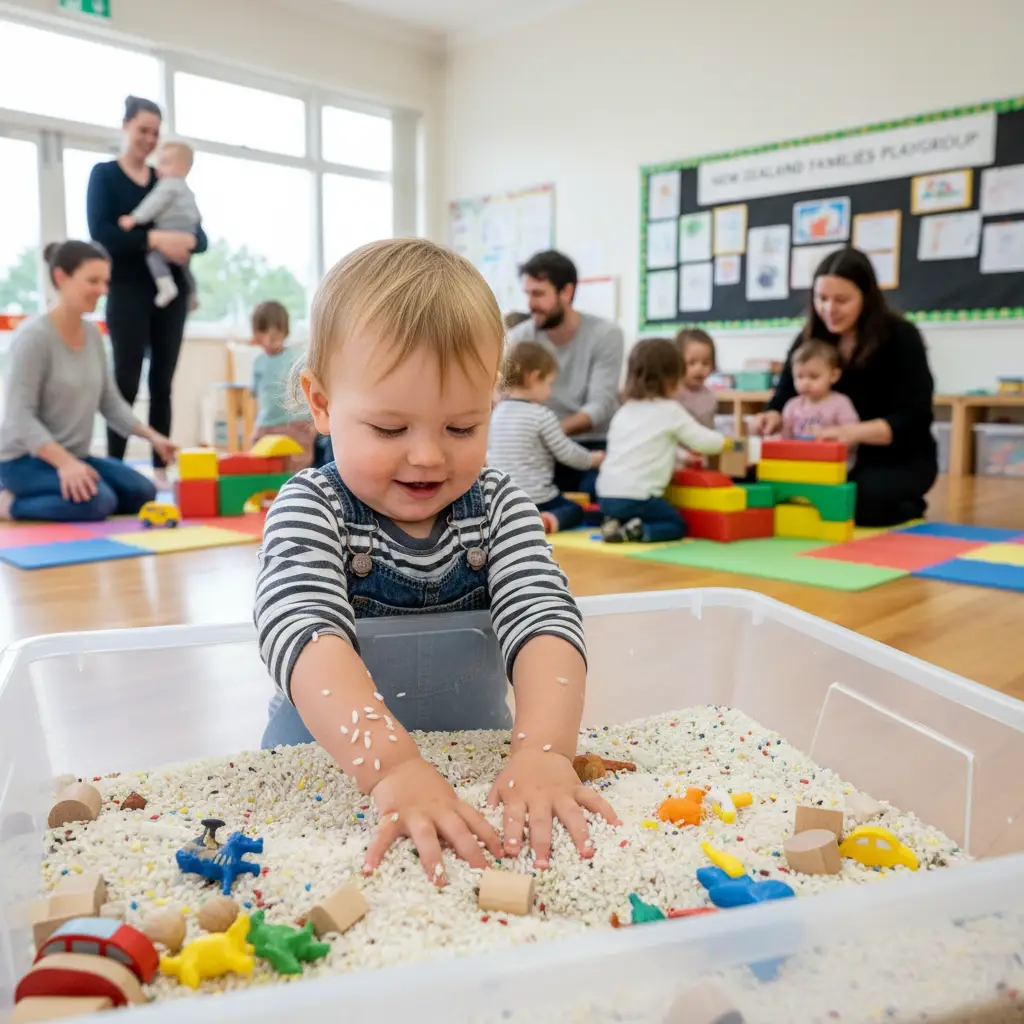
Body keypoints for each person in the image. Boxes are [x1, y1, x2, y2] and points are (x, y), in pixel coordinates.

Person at [254, 238, 618, 885]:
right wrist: (393, 768)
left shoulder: (499, 502)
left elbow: (544, 617)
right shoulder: (311, 505)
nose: (427, 456)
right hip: (326, 774)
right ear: (321, 404)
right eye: (390, 430)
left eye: (460, 428)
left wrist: (545, 753)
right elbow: (303, 631)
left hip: (476, 767)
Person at [751, 248, 937, 526]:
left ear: (866, 297)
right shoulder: (810, 337)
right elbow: (784, 395)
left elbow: (915, 417)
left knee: (859, 502)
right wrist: (772, 416)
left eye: (842, 300)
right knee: (753, 482)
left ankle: (908, 504)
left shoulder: (901, 337)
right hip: (822, 457)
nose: (829, 309)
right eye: (821, 298)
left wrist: (848, 433)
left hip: (893, 457)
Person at [0, 241, 176, 523]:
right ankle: (7, 504)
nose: (103, 290)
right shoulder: (33, 337)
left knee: (142, 492)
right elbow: (19, 417)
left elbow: (109, 401)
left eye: (106, 282)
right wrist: (65, 463)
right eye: (93, 281)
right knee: (96, 502)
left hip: (76, 455)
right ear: (61, 277)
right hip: (23, 461)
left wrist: (153, 437)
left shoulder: (92, 336)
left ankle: (66, 494)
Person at [87, 95, 207, 489]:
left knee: (162, 382)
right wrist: (155, 238)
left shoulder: (166, 179)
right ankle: (117, 465)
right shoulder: (105, 175)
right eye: (142, 130)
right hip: (126, 290)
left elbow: (200, 237)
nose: (149, 139)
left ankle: (160, 467)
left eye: (155, 132)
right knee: (125, 379)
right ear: (125, 127)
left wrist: (177, 241)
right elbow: (103, 235)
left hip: (168, 296)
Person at [507, 251, 624, 494]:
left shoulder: (605, 335)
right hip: (535, 446)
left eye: (538, 294)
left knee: (600, 491)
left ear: (566, 293)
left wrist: (548, 431)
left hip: (588, 444)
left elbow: (599, 407)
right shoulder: (519, 338)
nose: (530, 305)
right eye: (528, 294)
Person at [596, 338, 730, 543]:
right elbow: (704, 441)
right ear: (672, 379)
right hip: (638, 497)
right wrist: (727, 442)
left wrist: (683, 456)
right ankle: (637, 531)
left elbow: (649, 445)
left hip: (606, 495)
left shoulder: (625, 411)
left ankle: (614, 521)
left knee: (629, 508)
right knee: (676, 525)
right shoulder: (670, 411)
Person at [488, 341, 604, 533]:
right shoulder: (542, 415)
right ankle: (545, 521)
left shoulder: (497, 413)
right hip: (537, 499)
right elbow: (567, 453)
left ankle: (509, 523)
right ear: (534, 377)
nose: (550, 392)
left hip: (503, 500)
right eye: (549, 384)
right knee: (574, 509)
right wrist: (593, 460)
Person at [118, 140, 201, 310]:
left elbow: (153, 204)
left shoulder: (167, 185)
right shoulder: (186, 190)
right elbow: (197, 217)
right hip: (188, 229)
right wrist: (191, 238)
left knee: (154, 257)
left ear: (183, 167)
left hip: (171, 227)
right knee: (185, 265)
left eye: (164, 163)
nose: (158, 168)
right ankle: (192, 293)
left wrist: (134, 218)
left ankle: (166, 287)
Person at [249, 301, 316, 472]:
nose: (270, 341)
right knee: (260, 462)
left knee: (296, 464)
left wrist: (312, 422)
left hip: (295, 423)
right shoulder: (258, 362)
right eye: (265, 334)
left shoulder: (294, 357)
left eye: (276, 335)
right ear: (257, 335)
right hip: (267, 424)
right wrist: (255, 425)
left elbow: (307, 387)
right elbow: (255, 396)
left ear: (284, 333)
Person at [780, 339, 860, 442]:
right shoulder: (792, 406)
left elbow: (852, 436)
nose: (805, 383)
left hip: (833, 456)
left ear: (834, 375)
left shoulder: (841, 403)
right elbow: (785, 437)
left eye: (814, 377)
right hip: (800, 457)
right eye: (799, 377)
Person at [675, 327, 718, 429]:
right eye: (692, 363)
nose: (699, 369)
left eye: (705, 363)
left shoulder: (710, 397)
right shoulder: (674, 395)